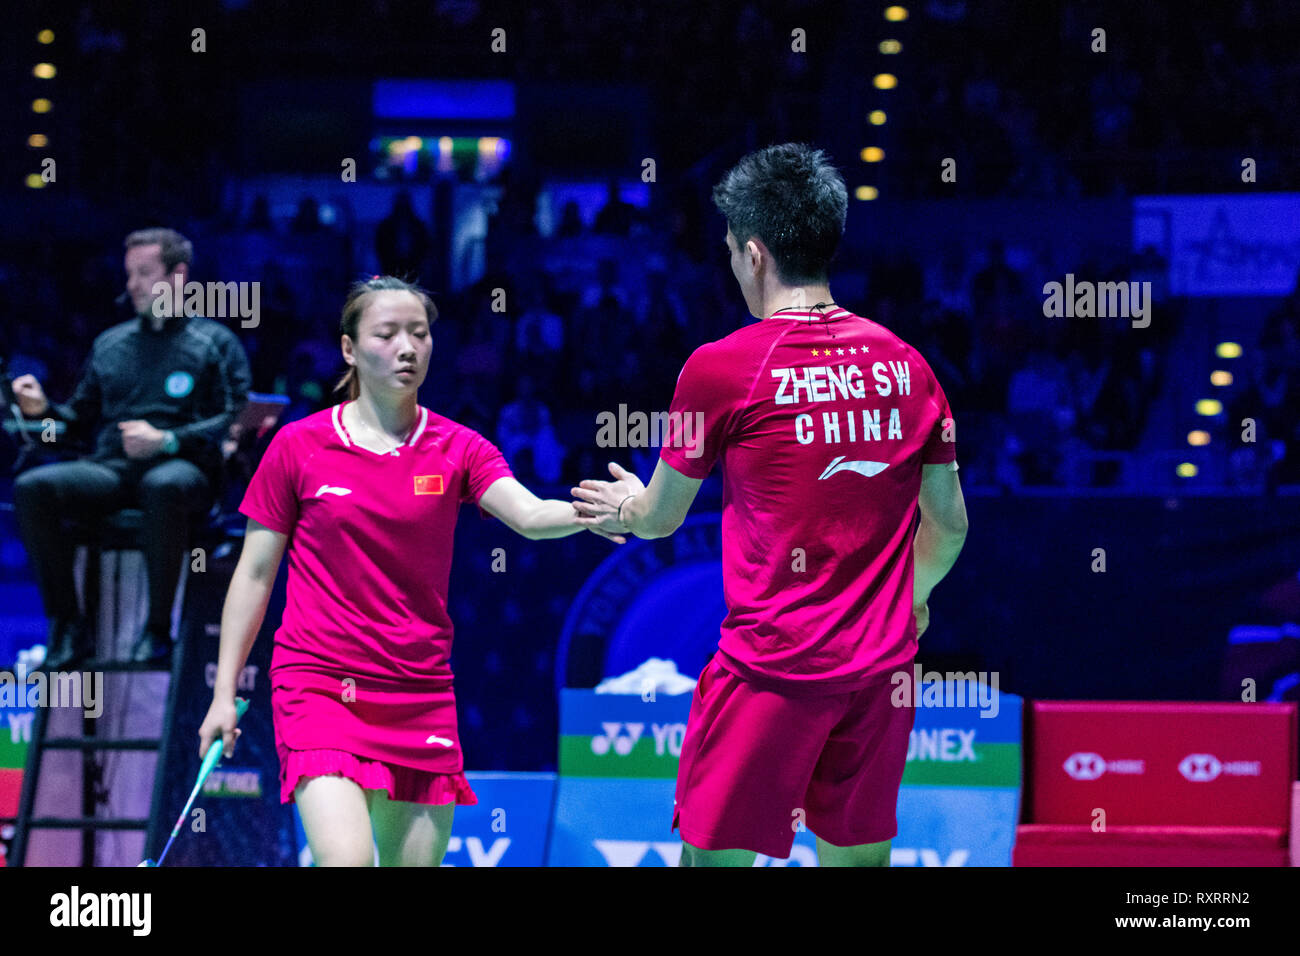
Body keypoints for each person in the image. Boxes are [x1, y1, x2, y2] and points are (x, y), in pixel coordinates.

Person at [572, 143, 969, 867]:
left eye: (729, 250)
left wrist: (626, 506)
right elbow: (949, 525)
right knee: (858, 862)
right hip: (880, 673)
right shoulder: (908, 364)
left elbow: (661, 516)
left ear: (755, 254)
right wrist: (906, 600)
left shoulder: (719, 368)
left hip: (768, 672)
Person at [198, 276, 623, 867]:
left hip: (416, 688)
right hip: (318, 683)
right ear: (349, 348)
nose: (407, 347)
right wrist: (224, 694)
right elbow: (254, 573)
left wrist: (595, 510)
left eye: (419, 334)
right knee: (347, 861)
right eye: (388, 334)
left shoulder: (458, 447)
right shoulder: (299, 447)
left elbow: (527, 513)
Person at [12, 227, 252, 667]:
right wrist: (42, 409)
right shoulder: (111, 344)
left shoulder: (214, 343)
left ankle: (158, 631)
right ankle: (68, 627)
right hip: (114, 468)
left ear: (178, 276)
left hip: (187, 470)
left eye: (145, 274)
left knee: (163, 485)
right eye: (130, 274)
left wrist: (169, 439)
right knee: (33, 487)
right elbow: (77, 423)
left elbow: (237, 419)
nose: (133, 285)